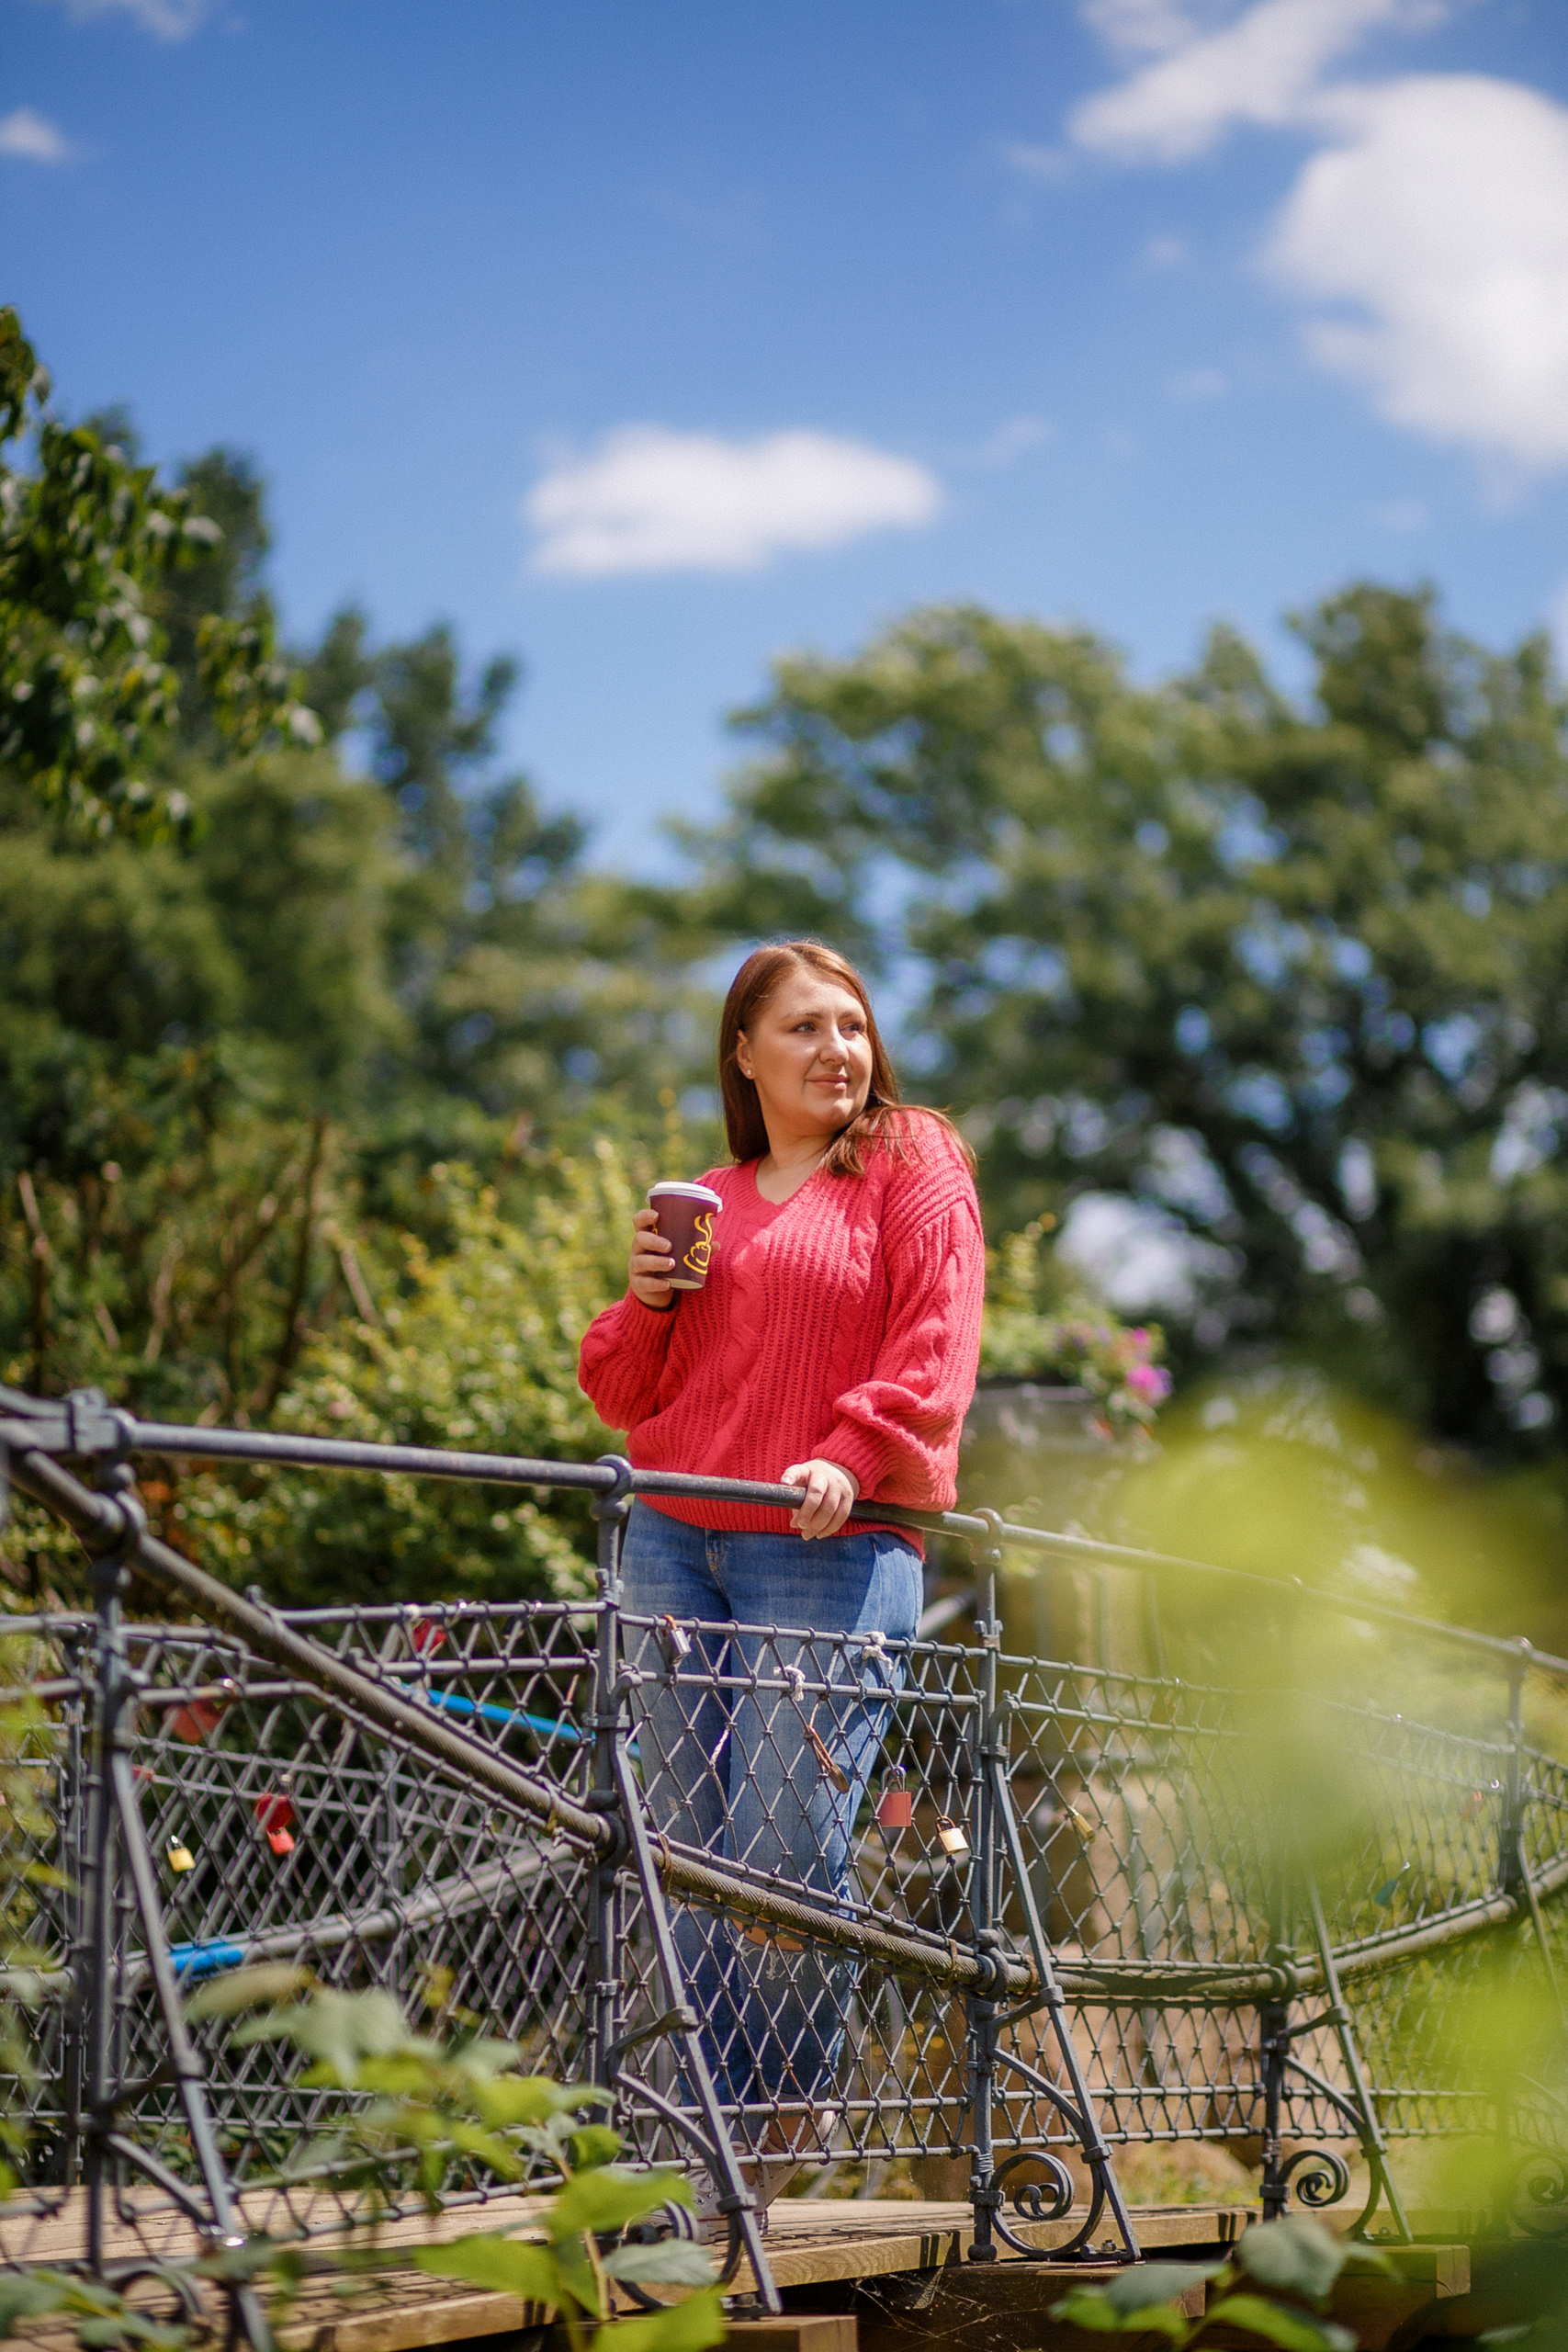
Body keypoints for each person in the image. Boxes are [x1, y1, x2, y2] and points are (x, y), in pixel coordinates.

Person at [577, 939, 985, 2190]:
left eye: (851, 1025)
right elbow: (623, 1390)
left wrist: (855, 1454)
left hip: (831, 1546)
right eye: (804, 1028)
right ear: (743, 1054)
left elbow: (938, 1336)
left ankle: (782, 2124)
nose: (837, 1050)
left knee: (785, 1840)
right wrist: (645, 1298)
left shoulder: (913, 1159)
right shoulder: (709, 1194)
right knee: (688, 1842)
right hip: (674, 1537)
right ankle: (701, 2117)